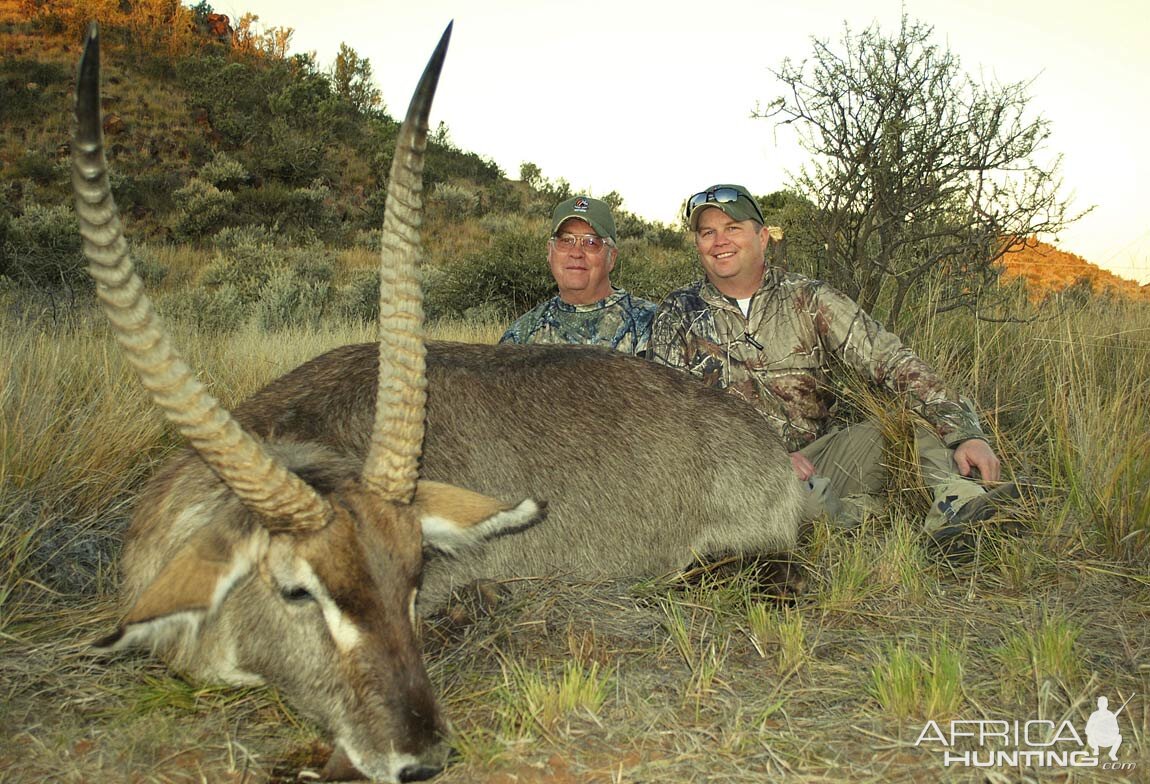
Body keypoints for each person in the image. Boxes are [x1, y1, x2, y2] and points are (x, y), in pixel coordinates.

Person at [649, 183, 1019, 545]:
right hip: (732, 472)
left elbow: (891, 360)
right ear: (698, 245)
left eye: (733, 228)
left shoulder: (809, 297)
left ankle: (960, 507)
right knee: (804, 507)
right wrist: (762, 458)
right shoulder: (678, 313)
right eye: (707, 232)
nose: (720, 241)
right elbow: (665, 419)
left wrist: (965, 434)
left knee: (907, 432)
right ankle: (865, 513)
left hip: (820, 457)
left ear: (762, 237)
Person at [500, 196, 656, 355]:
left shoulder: (652, 325)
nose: (576, 253)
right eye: (566, 241)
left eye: (591, 242)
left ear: (612, 257)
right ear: (549, 252)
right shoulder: (521, 335)